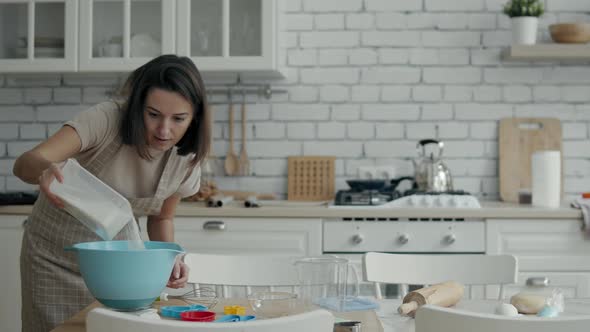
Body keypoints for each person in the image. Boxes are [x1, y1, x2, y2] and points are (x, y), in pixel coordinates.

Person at [13, 54, 211, 332]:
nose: (164, 130)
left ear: (194, 118)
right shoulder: (106, 119)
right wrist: (45, 169)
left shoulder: (186, 157)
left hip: (118, 272)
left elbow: (161, 218)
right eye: (153, 115)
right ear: (137, 106)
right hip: (54, 262)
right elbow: (25, 163)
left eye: (179, 118)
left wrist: (171, 257)